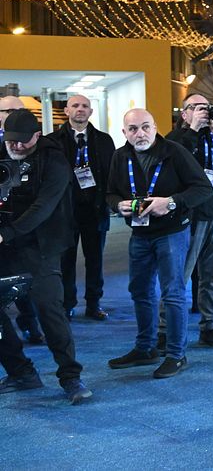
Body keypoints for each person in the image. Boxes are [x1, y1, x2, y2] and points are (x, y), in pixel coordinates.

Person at [106, 108, 212, 379]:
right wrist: (117, 205)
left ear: (155, 127)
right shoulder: (120, 156)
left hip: (172, 232)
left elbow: (203, 188)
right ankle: (145, 349)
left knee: (172, 293)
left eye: (145, 127)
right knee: (140, 291)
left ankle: (177, 355)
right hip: (139, 233)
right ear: (124, 132)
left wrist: (172, 202)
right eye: (132, 129)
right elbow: (110, 193)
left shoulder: (175, 152)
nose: (139, 133)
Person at [0, 109, 91, 403]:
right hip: (6, 244)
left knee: (49, 309)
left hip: (40, 246)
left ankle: (70, 377)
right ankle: (21, 372)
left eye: (22, 142)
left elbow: (43, 207)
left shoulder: (54, 160)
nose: (15, 147)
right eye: (11, 141)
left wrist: (7, 233)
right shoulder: (3, 152)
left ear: (37, 136)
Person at [164, 94, 213, 349]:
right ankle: (165, 330)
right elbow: (170, 162)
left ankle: (210, 325)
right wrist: (193, 129)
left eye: (206, 108)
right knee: (179, 276)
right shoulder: (177, 138)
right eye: (196, 108)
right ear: (184, 114)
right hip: (190, 215)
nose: (204, 112)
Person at [46, 94, 115, 321]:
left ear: (91, 112)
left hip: (95, 211)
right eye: (75, 105)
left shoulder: (104, 141)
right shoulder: (53, 141)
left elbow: (111, 175)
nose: (80, 109)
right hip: (65, 212)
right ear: (66, 111)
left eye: (85, 106)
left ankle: (94, 304)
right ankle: (67, 303)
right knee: (66, 260)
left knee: (95, 260)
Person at [0, 96, 44, 344]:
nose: (16, 115)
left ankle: (30, 323)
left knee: (21, 277)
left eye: (21, 110)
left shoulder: (34, 146)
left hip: (24, 226)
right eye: (10, 111)